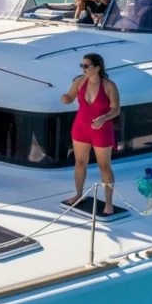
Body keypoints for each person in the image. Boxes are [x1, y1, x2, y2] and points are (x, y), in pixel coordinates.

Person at [60, 53, 120, 215]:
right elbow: (70, 98)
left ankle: (109, 203)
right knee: (79, 162)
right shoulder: (79, 81)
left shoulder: (109, 85)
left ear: (97, 68)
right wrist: (65, 99)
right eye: (82, 66)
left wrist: (105, 117)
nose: (83, 69)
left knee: (104, 166)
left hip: (102, 128)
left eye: (86, 66)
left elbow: (116, 109)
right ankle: (78, 194)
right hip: (81, 127)